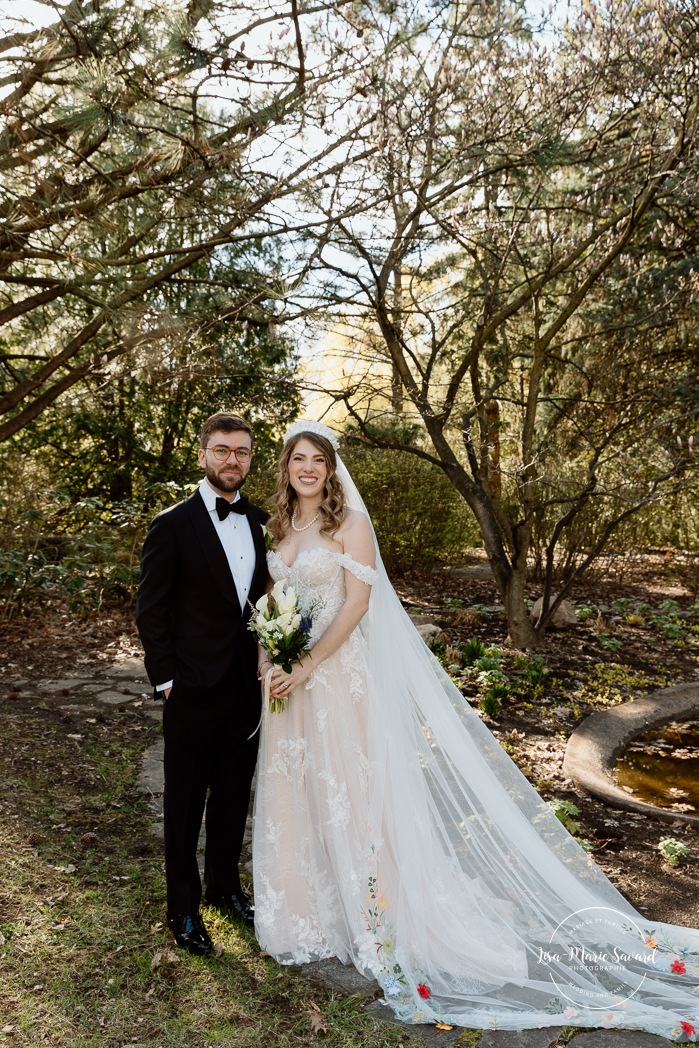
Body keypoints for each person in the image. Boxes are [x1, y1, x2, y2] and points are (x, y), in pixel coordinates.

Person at [252, 420, 699, 1041]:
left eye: (317, 460)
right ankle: (308, 910)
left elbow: (356, 606)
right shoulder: (279, 526)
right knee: (300, 790)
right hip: (289, 687)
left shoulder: (349, 524)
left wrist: (302, 665)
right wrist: (270, 663)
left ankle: (370, 915)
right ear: (286, 467)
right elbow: (272, 602)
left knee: (351, 790)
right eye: (297, 460)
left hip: (335, 677)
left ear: (330, 469)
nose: (307, 469)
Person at [136, 411, 269, 955]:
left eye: (240, 451)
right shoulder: (172, 524)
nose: (231, 459)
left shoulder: (261, 522)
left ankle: (224, 890)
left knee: (234, 796)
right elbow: (151, 608)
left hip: (247, 687)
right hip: (189, 689)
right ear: (203, 455)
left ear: (249, 457)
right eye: (221, 450)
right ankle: (183, 911)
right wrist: (166, 679)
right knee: (185, 803)